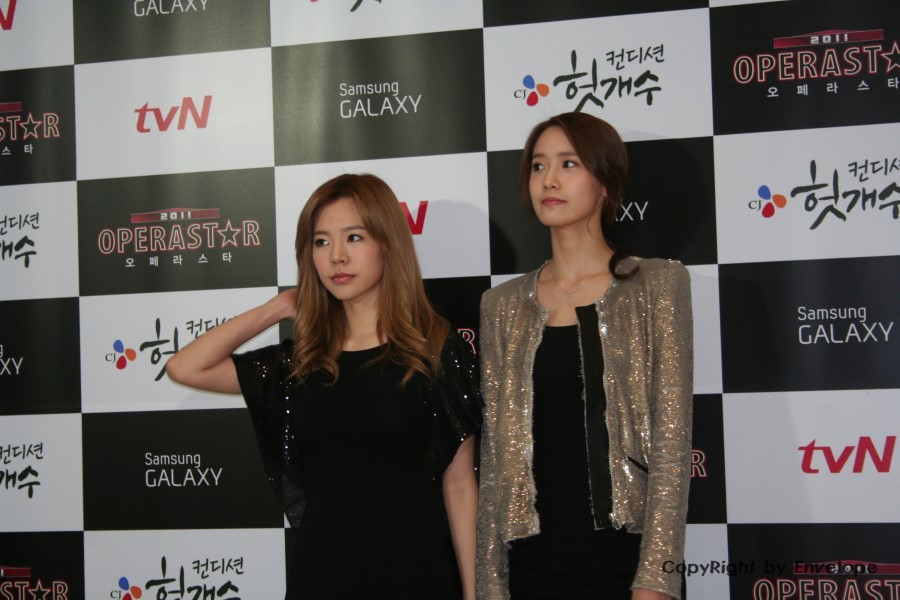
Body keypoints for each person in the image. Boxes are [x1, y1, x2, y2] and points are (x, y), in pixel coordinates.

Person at [166, 173, 481, 600]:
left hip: (416, 576)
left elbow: (459, 485)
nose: (336, 256)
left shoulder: (435, 352)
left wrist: (475, 592)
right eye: (321, 242)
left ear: (388, 243)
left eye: (354, 237)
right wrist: (278, 307)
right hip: (321, 576)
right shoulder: (300, 364)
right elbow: (185, 367)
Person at [476, 112, 693, 600]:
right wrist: (491, 586)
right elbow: (495, 461)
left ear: (605, 183)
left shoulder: (657, 285)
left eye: (568, 164)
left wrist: (656, 581)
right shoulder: (502, 306)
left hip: (623, 564)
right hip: (530, 567)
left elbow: (672, 448)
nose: (548, 180)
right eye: (538, 166)